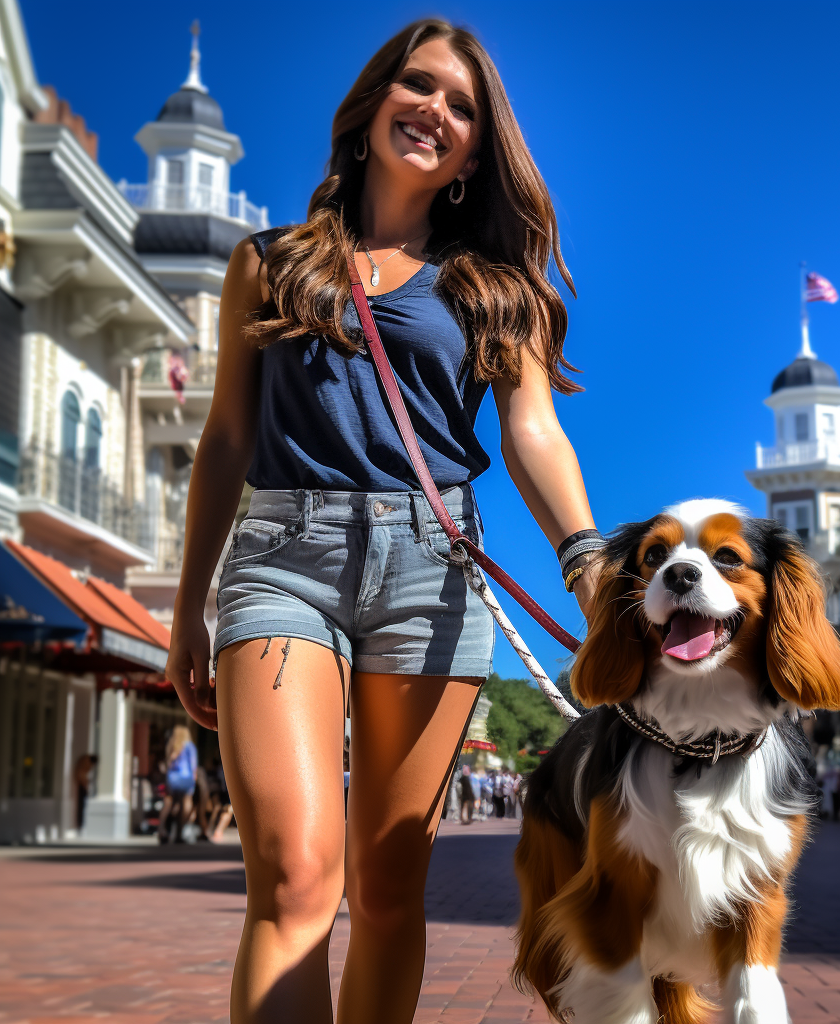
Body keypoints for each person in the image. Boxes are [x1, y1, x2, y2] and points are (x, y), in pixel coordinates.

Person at [164, 19, 599, 1024]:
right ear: (370, 106)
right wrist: (187, 611)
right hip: (281, 561)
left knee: (392, 887)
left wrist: (584, 560)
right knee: (294, 877)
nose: (436, 110)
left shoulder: (497, 289)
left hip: (431, 572)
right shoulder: (264, 265)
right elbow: (225, 442)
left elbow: (534, 433)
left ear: (473, 154)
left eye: (462, 106)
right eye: (419, 85)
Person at [158, 725, 197, 844]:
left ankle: (162, 830)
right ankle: (179, 833)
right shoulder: (189, 746)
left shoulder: (172, 745)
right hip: (186, 777)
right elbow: (193, 764)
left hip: (173, 778)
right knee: (185, 804)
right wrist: (194, 778)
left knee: (170, 803)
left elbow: (168, 763)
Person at [73, 753, 97, 832]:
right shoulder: (86, 762)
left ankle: (81, 824)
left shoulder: (85, 761)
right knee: (81, 806)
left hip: (82, 785)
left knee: (82, 806)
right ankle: (80, 824)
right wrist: (85, 783)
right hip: (82, 785)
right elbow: (81, 775)